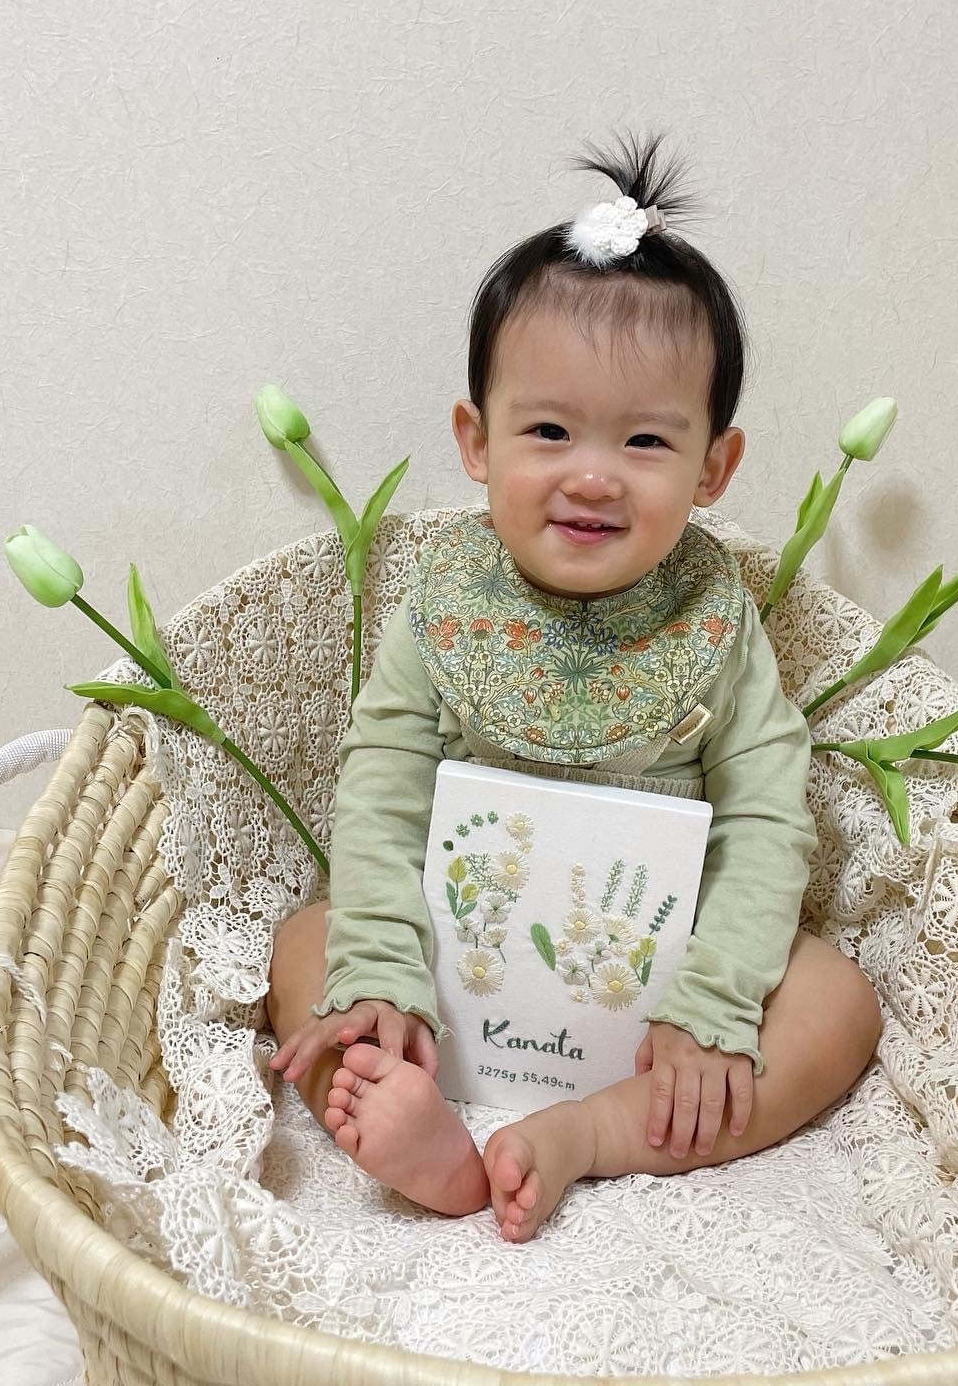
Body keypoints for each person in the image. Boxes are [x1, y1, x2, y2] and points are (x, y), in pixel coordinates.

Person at [266, 132, 882, 1243]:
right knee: (308, 947)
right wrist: (381, 973)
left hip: (659, 993)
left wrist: (714, 1000)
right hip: (458, 970)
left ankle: (590, 1135)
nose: (592, 475)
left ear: (713, 468)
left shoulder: (717, 619)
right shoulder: (444, 601)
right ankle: (417, 1132)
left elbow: (767, 815)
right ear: (477, 442)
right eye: (548, 431)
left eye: (645, 441)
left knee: (838, 1003)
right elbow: (381, 794)